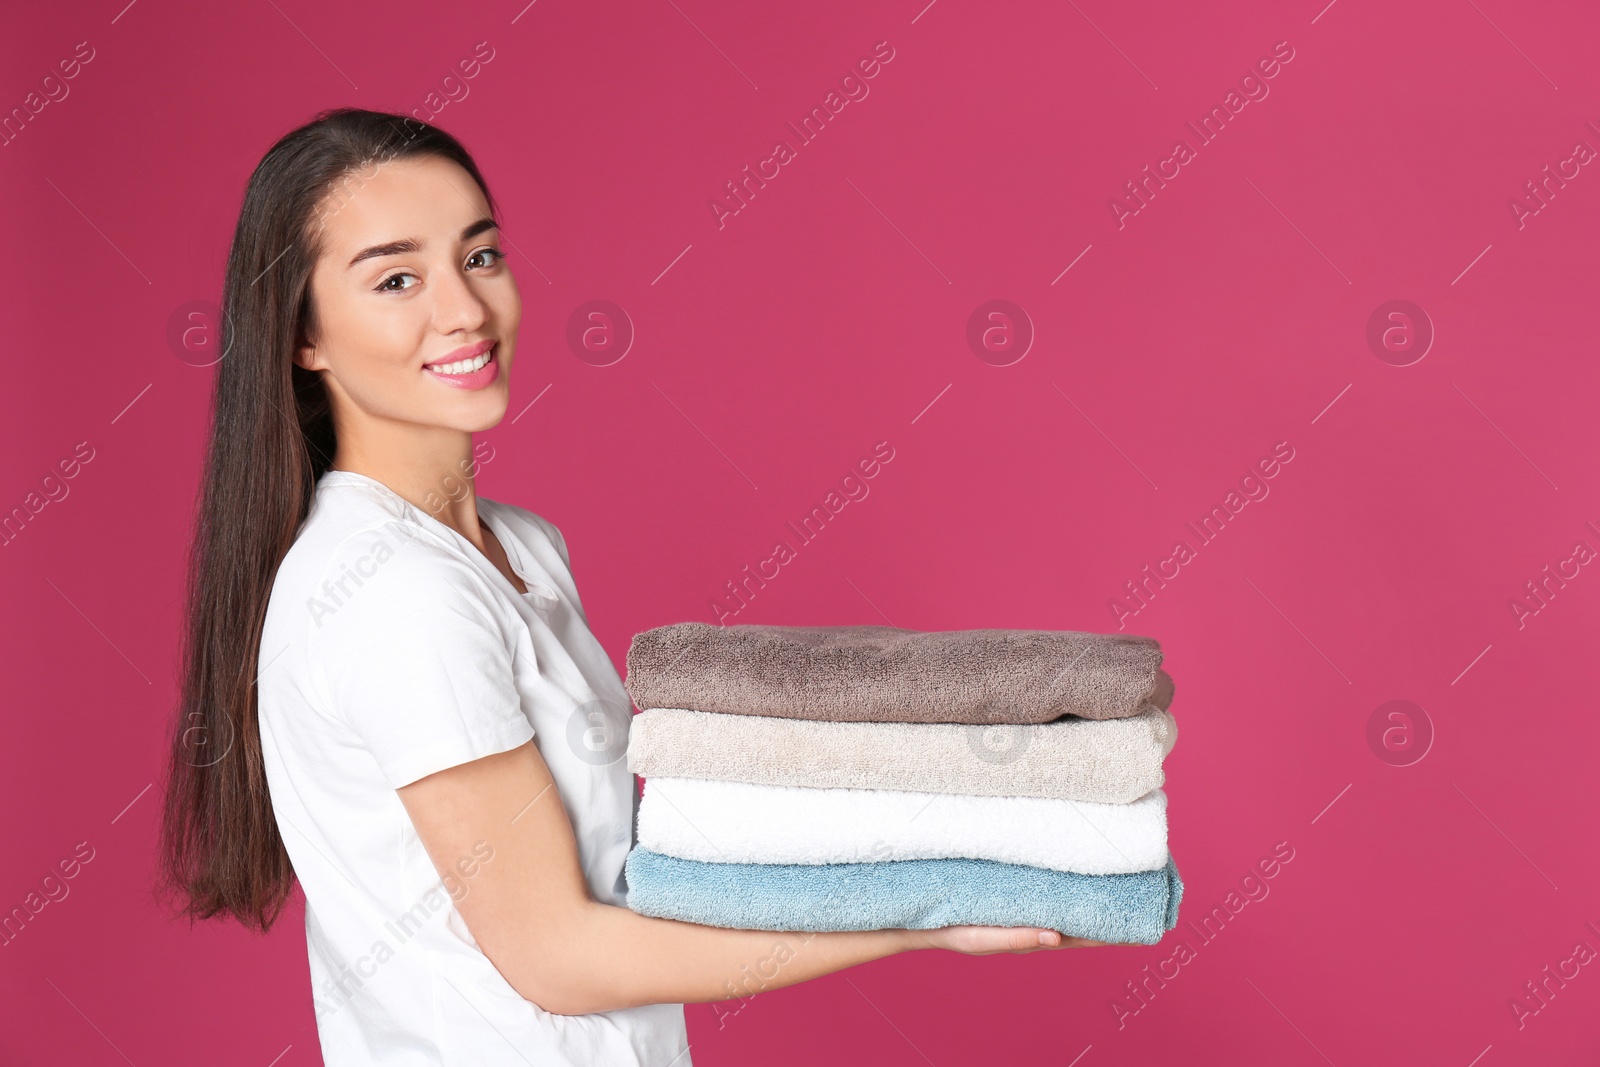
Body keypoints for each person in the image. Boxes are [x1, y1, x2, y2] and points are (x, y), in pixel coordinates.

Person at [156, 107, 1107, 1067]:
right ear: (302, 338)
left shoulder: (517, 547)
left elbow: (626, 867)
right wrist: (925, 913)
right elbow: (557, 955)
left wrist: (945, 837)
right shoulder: (396, 593)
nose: (464, 311)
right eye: (397, 279)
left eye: (479, 257)